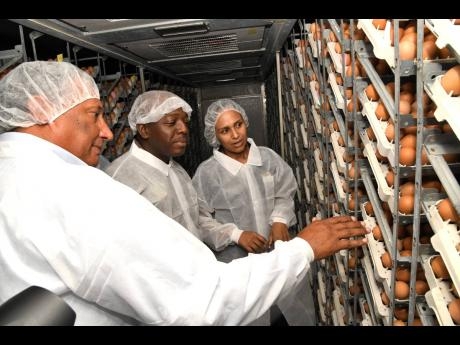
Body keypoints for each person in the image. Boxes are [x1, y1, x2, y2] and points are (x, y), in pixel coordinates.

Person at [0, 61, 369, 326]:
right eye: (94, 114)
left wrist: (278, 225)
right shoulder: (78, 190)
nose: (107, 132)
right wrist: (303, 249)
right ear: (40, 109)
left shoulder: (15, 172)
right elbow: (198, 302)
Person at [191, 99, 312, 325]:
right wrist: (237, 235)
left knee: (287, 314)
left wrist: (279, 220)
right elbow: (200, 219)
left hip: (277, 253)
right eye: (225, 131)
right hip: (238, 263)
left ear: (246, 122)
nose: (235, 135)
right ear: (214, 135)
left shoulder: (267, 158)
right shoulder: (207, 173)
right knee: (250, 315)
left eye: (238, 125)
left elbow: (285, 192)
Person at [105, 90, 267, 254]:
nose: (183, 129)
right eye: (171, 122)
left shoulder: (177, 171)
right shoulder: (118, 180)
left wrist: (236, 235)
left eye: (184, 121)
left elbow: (198, 221)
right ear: (145, 130)